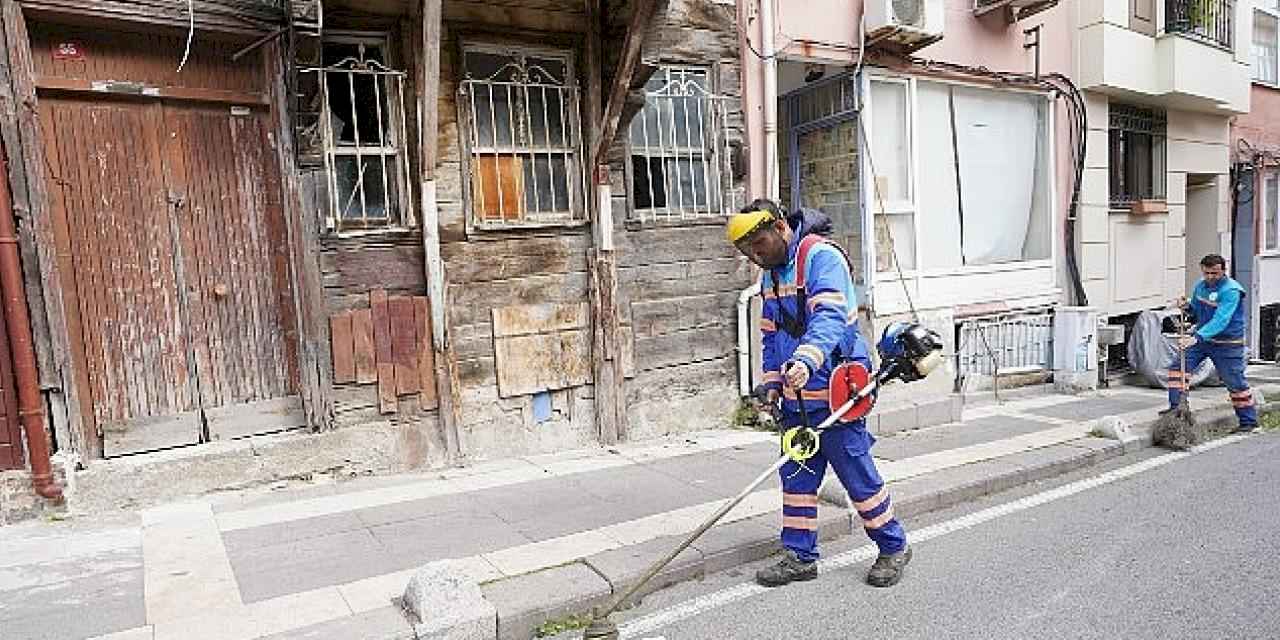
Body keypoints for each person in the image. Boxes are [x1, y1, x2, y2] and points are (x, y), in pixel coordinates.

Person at [726, 199, 912, 588]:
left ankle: (893, 546)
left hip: (837, 395)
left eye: (759, 245)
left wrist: (807, 360)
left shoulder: (821, 258)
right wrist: (773, 382)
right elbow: (771, 335)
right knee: (796, 480)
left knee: (858, 478)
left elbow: (829, 317)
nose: (755, 256)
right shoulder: (770, 278)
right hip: (797, 401)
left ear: (780, 228)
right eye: (748, 252)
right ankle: (800, 556)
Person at [1167, 254, 1257, 433]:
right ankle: (1177, 410)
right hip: (1203, 339)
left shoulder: (1231, 291)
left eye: (1214, 273)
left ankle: (1248, 421)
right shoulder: (1200, 287)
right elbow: (1196, 311)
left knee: (1234, 382)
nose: (1210, 277)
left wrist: (1196, 337)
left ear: (1224, 271)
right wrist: (1187, 307)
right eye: (1206, 272)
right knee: (1178, 369)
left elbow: (1221, 319)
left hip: (1228, 343)